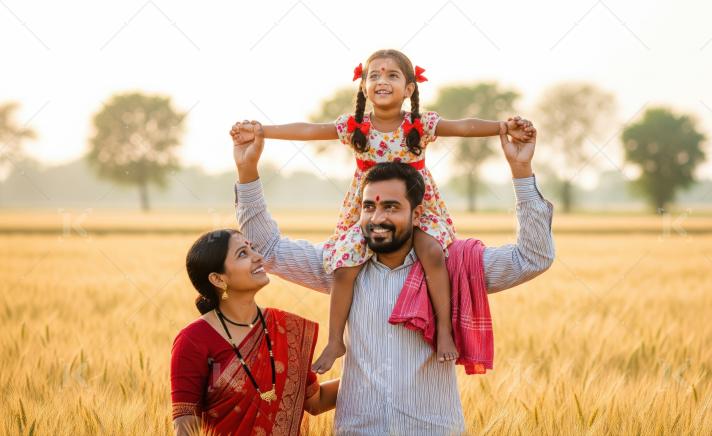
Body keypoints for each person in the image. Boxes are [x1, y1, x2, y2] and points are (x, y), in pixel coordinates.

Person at [230, 115, 554, 434]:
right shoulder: (341, 266)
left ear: (416, 214)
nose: (377, 217)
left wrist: (521, 172)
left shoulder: (454, 267)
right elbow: (267, 249)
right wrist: (247, 170)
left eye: (391, 207)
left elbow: (533, 257)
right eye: (369, 207)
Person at [230, 48, 535, 372]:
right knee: (343, 264)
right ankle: (336, 339)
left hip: (419, 206)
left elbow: (465, 126)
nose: (382, 81)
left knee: (431, 251)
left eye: (392, 75)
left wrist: (502, 126)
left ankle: (445, 330)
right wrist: (263, 131)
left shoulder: (420, 124)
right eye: (374, 75)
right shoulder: (355, 127)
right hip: (368, 210)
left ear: (409, 89)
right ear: (363, 87)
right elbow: (309, 130)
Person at [170, 229, 338, 436]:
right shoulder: (193, 340)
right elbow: (186, 427)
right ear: (218, 278)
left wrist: (373, 377)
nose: (258, 257)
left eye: (253, 249)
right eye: (243, 254)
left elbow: (316, 401)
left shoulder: (285, 327)